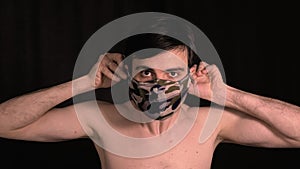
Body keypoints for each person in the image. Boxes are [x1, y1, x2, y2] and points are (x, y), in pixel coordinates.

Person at [0, 31, 299, 169]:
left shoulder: (210, 123)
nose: (159, 85)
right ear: (125, 74)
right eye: (145, 73)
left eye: (172, 72)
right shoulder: (99, 119)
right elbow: (4, 124)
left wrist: (228, 95)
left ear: (192, 75)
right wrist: (80, 84)